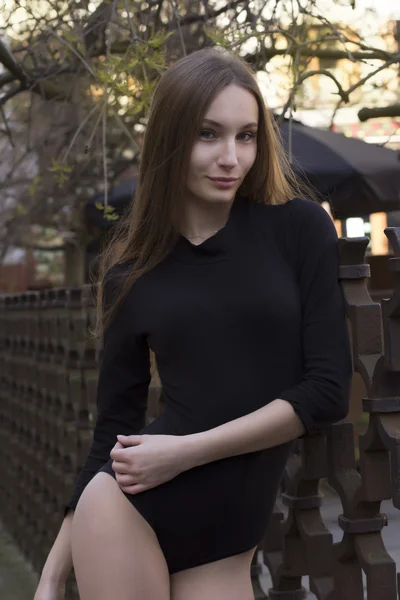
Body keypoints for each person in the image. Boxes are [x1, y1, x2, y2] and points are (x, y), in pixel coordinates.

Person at [34, 47, 353, 600]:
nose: (231, 156)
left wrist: (184, 452)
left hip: (222, 535)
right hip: (125, 512)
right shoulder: (132, 275)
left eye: (246, 136)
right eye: (209, 134)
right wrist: (51, 576)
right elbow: (111, 430)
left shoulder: (299, 230)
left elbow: (325, 392)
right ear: (171, 140)